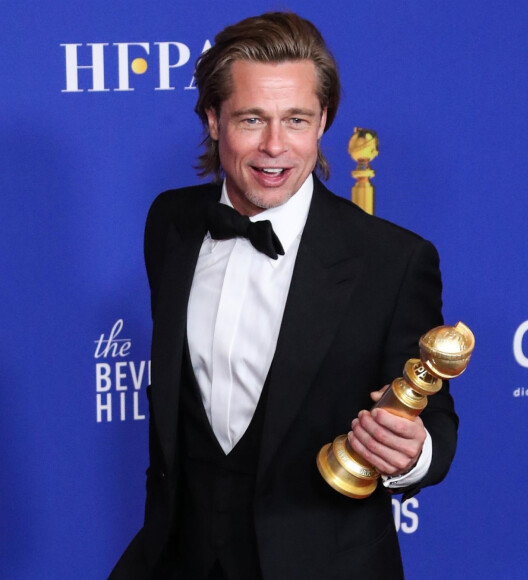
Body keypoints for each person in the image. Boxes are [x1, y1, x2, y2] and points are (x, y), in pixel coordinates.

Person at [110, 11, 458, 580]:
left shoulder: (392, 261)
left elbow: (434, 423)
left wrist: (411, 454)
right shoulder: (170, 224)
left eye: (296, 119)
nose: (276, 147)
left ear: (322, 122)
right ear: (214, 119)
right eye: (252, 119)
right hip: (179, 558)